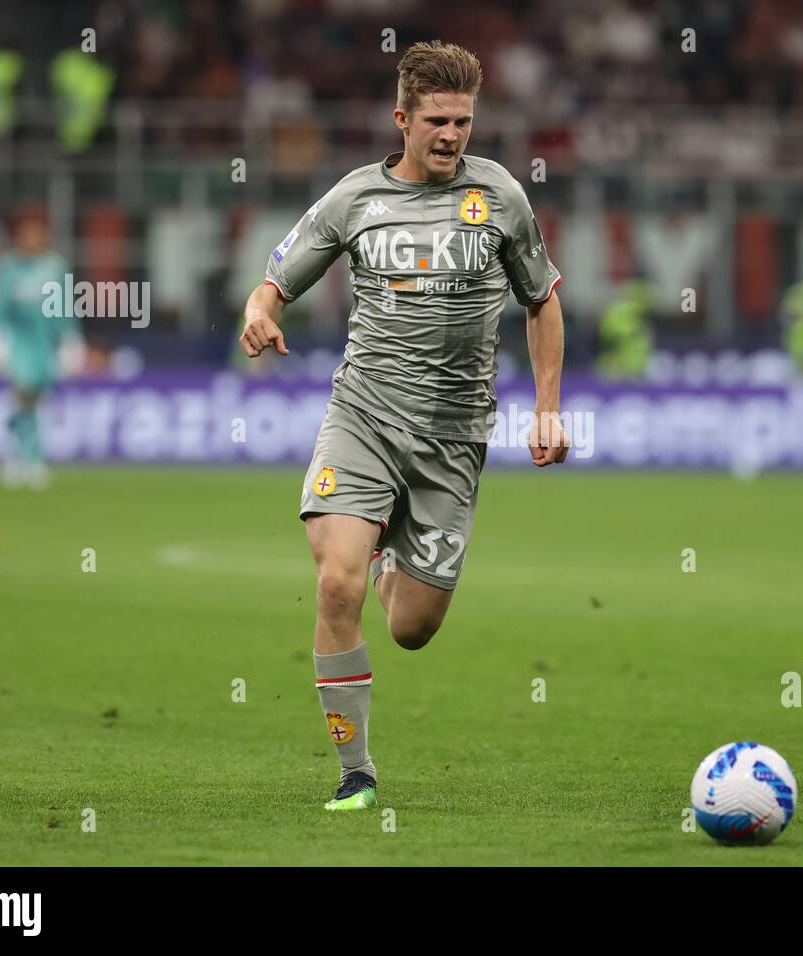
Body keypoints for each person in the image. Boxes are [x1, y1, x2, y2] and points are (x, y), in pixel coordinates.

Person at [239, 41, 569, 812]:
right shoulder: (354, 199)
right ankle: (356, 772)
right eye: (437, 121)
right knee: (335, 580)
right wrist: (259, 314)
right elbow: (274, 282)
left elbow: (543, 297)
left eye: (463, 121)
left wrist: (548, 406)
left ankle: (392, 548)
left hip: (454, 436)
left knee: (413, 627)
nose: (453, 135)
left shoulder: (501, 198)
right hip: (363, 416)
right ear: (402, 120)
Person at [0, 209, 82, 488]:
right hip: (18, 341)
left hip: (45, 343)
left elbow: (64, 307)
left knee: (37, 400)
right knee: (23, 393)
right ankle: (22, 456)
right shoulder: (8, 268)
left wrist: (71, 340)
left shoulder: (54, 267)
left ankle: (29, 455)